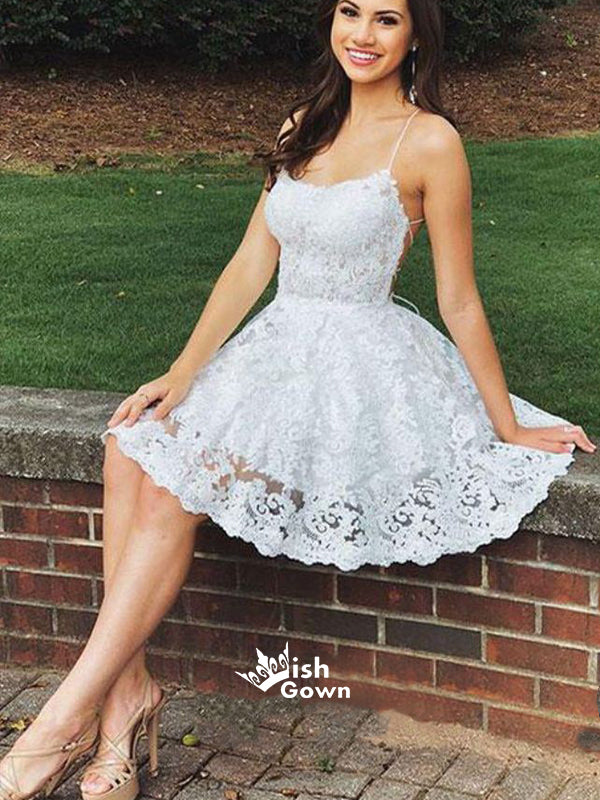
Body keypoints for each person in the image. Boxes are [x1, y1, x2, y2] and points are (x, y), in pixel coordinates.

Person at [1, 1, 595, 800]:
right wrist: (182, 371)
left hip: (357, 372)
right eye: (350, 12)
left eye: (386, 19)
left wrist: (507, 423)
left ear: (416, 37)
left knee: (176, 486)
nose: (362, 34)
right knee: (127, 445)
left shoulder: (431, 142)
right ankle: (124, 704)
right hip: (274, 352)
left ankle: (58, 723)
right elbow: (252, 261)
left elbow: (458, 299)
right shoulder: (302, 126)